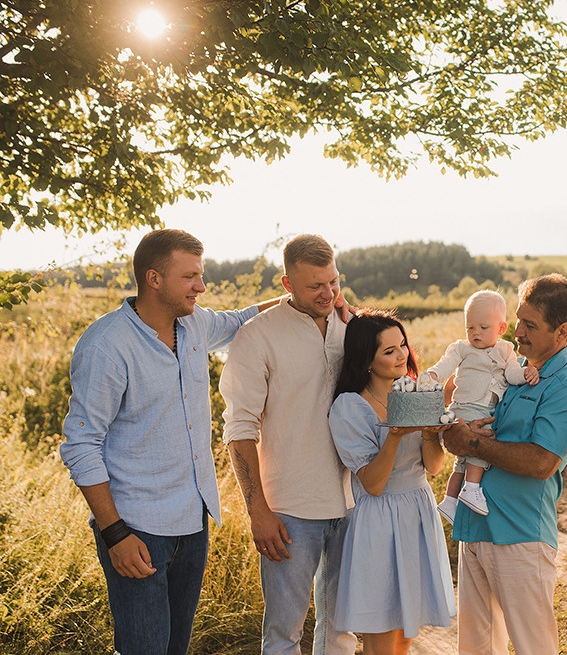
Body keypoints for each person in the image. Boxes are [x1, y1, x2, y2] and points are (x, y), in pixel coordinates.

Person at [59, 228, 283, 655]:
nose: (201, 286)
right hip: (137, 529)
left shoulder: (195, 323)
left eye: (201, 275)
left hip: (193, 521)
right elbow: (80, 445)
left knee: (175, 647)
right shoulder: (107, 345)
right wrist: (114, 534)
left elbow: (241, 319)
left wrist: (307, 297)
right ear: (154, 279)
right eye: (190, 277)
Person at [219, 234, 358, 654]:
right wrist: (258, 510)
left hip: (355, 500)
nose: (328, 292)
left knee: (343, 630)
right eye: (315, 285)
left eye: (333, 282)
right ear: (287, 284)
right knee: (283, 635)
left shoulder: (351, 327)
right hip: (290, 511)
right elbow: (240, 428)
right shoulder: (256, 337)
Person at [443, 274, 567, 655]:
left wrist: (471, 442)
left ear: (562, 332)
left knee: (532, 647)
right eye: (519, 320)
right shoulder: (507, 365)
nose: (518, 332)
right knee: (475, 648)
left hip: (520, 535)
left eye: (530, 325)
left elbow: (542, 462)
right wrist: (452, 429)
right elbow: (463, 414)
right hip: (474, 524)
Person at [328, 310, 455, 654]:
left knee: (405, 633)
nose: (402, 355)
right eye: (389, 351)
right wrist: (395, 435)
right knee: (381, 635)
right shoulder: (350, 407)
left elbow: (433, 467)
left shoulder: (415, 391)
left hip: (417, 511)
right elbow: (372, 483)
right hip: (379, 521)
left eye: (402, 345)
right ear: (366, 360)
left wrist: (431, 435)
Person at [428, 290, 539, 522]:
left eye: (483, 327)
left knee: (462, 460)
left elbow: (512, 373)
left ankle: (450, 501)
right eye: (470, 327)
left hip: (484, 409)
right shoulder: (461, 348)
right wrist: (434, 375)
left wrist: (525, 373)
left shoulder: (505, 350)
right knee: (481, 443)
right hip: (465, 407)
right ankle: (472, 488)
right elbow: (446, 364)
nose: (475, 333)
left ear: (500, 328)